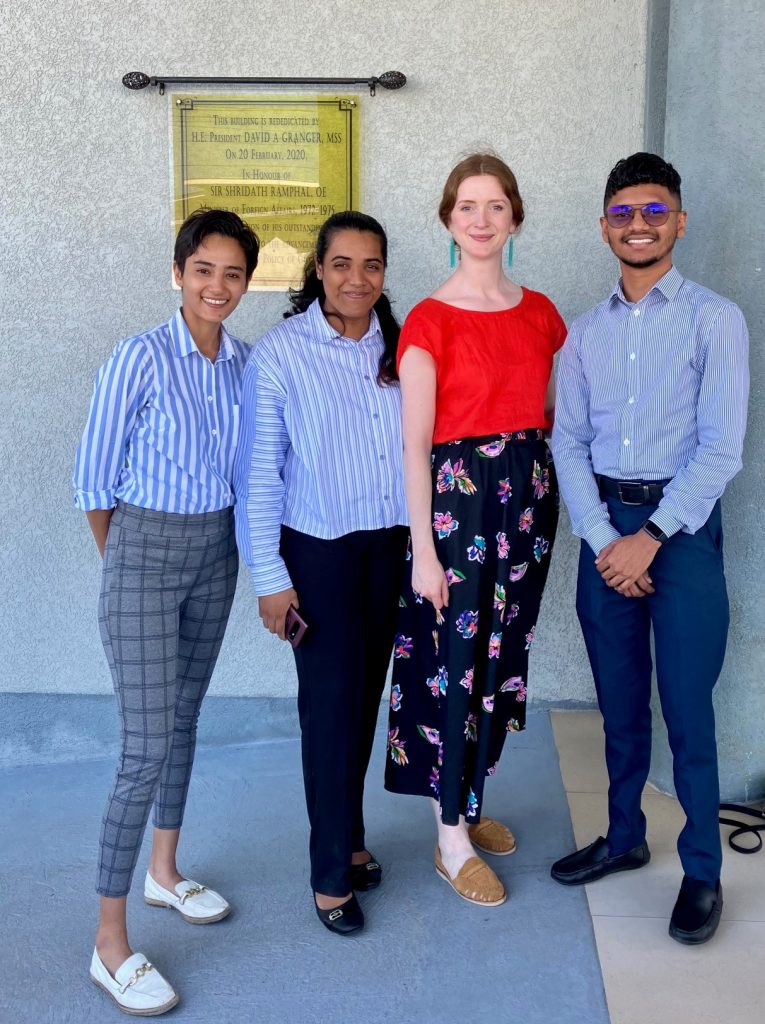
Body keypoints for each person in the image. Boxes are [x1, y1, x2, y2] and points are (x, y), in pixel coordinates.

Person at [550, 152, 749, 945]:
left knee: (687, 710)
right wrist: (608, 541)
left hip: (683, 534)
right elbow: (567, 442)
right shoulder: (584, 332)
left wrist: (652, 537)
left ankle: (702, 869)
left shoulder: (713, 320)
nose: (639, 224)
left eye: (654, 211)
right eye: (624, 213)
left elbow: (720, 447)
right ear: (604, 227)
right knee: (620, 705)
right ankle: (624, 836)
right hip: (606, 532)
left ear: (679, 222)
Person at [73, 209, 259, 1014]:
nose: (217, 286)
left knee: (183, 719)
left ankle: (165, 871)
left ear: (246, 283)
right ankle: (109, 943)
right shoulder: (139, 357)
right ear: (179, 272)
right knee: (144, 748)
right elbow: (93, 480)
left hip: (215, 554)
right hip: (143, 553)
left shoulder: (244, 364)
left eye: (232, 273)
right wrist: (127, 567)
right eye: (203, 269)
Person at [384, 154, 566, 906]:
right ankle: (449, 838)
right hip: (458, 514)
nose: (482, 219)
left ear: (514, 217)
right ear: (448, 220)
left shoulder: (542, 313)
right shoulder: (429, 320)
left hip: (525, 511)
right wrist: (423, 554)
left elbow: (547, 413)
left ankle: (467, 798)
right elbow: (414, 447)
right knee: (452, 663)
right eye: (467, 206)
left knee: (498, 659)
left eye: (495, 205)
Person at [233, 211, 408, 935]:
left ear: (383, 273)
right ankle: (330, 873)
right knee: (329, 710)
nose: (356, 279)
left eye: (371, 265)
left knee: (363, 703)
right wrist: (270, 579)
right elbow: (258, 476)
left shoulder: (400, 346)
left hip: (388, 551)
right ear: (318, 269)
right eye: (341, 264)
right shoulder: (281, 354)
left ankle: (352, 837)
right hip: (318, 556)